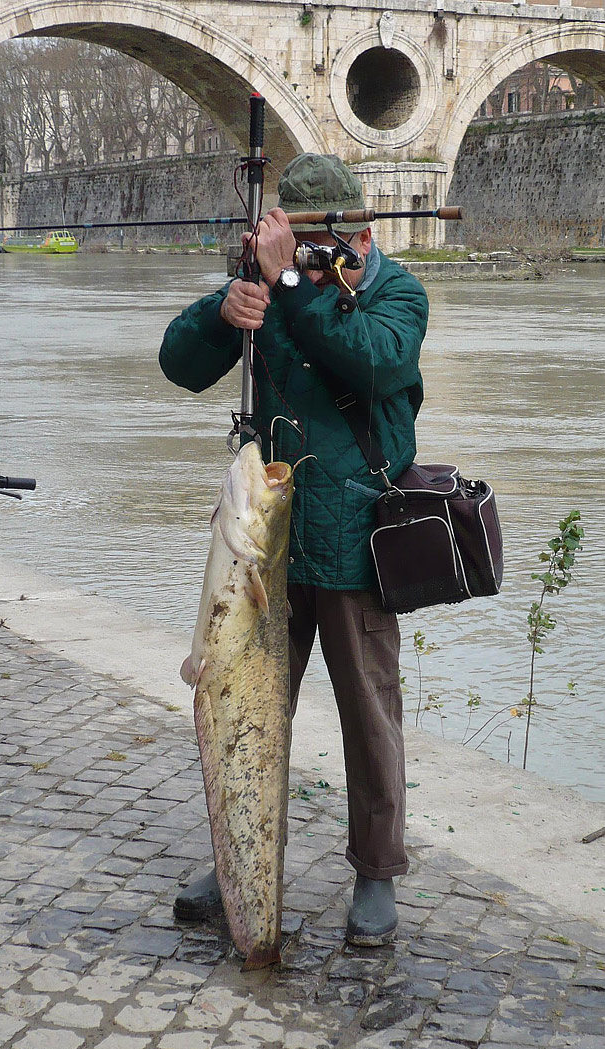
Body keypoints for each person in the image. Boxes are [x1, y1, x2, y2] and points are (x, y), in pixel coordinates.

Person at [159, 153, 429, 946]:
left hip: (354, 533)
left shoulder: (396, 293)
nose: (309, 258)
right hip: (264, 541)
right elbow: (179, 365)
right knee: (245, 702)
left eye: (320, 244)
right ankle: (236, 847)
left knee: (367, 714)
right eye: (297, 243)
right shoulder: (266, 291)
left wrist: (288, 291)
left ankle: (375, 870)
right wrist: (226, 313)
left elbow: (376, 365)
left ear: (361, 233)